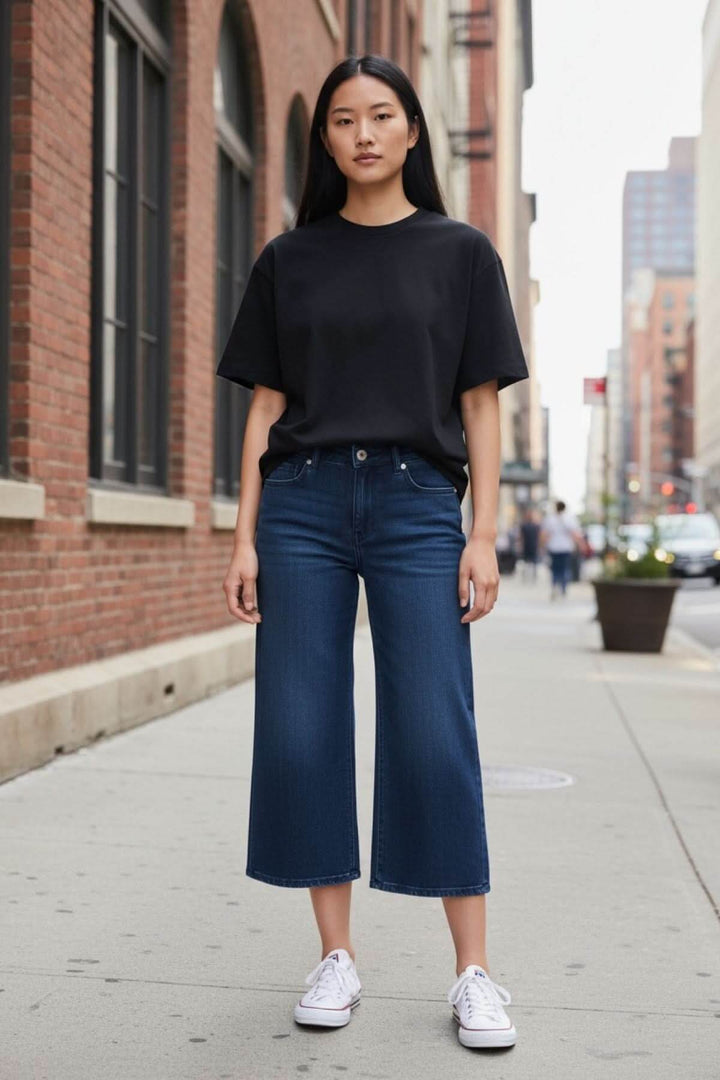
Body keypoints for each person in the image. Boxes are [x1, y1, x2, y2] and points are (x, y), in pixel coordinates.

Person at [216, 54, 529, 1052]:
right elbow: (266, 404)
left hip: (414, 504)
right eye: (343, 118)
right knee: (303, 727)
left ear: (410, 132)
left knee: (435, 728)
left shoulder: (462, 253)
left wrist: (482, 532)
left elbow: (480, 402)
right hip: (302, 505)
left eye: (381, 115)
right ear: (327, 141)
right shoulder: (289, 259)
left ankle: (474, 973)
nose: (361, 132)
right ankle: (336, 955)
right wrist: (244, 536)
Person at [539, 500, 584, 599]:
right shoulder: (570, 519)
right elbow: (575, 534)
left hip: (554, 547)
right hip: (565, 548)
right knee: (565, 568)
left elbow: (545, 534)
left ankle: (554, 586)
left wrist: (542, 546)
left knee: (555, 569)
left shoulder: (550, 519)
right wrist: (581, 545)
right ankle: (563, 589)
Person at [519, 508, 541, 582]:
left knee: (530, 562)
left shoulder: (527, 525)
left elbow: (521, 537)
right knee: (530, 562)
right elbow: (521, 537)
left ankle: (529, 576)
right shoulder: (535, 526)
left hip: (530, 546)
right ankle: (530, 576)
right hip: (530, 546)